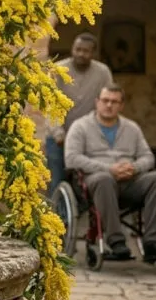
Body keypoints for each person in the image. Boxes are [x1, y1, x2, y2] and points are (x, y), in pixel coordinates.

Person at [64, 84, 156, 263]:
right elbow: (71, 159)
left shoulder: (132, 128)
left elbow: (148, 156)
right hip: (96, 183)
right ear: (97, 102)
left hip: (130, 181)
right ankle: (116, 242)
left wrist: (134, 168)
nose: (109, 105)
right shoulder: (80, 127)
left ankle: (153, 243)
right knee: (104, 179)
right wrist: (108, 169)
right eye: (105, 100)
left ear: (121, 105)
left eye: (114, 102)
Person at [46, 33, 113, 195]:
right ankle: (56, 218)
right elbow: (49, 104)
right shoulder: (58, 70)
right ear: (72, 49)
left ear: (93, 53)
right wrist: (58, 132)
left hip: (88, 137)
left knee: (88, 181)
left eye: (86, 51)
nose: (81, 54)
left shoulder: (102, 72)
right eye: (78, 49)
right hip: (59, 138)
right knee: (57, 182)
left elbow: (107, 101)